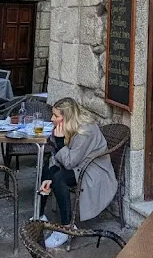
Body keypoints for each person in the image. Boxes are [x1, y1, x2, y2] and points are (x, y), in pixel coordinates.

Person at [39, 98, 117, 249]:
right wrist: (50, 172)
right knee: (47, 171)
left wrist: (60, 141)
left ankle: (67, 228)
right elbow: (58, 157)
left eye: (56, 116)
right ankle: (39, 215)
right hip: (77, 166)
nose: (51, 119)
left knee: (58, 178)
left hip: (92, 171)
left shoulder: (85, 131)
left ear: (67, 117)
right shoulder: (65, 127)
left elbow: (69, 162)